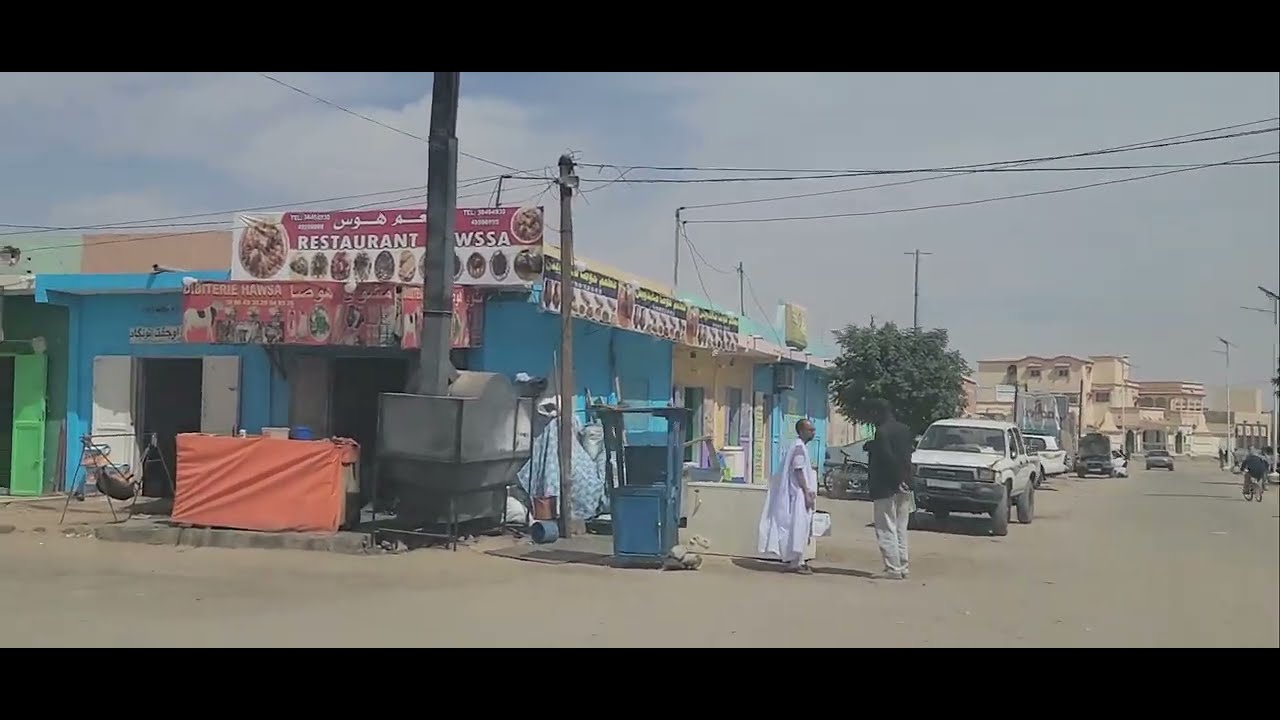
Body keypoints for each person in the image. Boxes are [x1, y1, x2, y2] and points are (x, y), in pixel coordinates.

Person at [758, 418, 818, 575]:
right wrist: (807, 492)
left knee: (798, 527)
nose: (813, 433)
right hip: (797, 494)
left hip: (797, 494)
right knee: (798, 527)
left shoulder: (799, 446)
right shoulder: (798, 448)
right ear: (801, 431)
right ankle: (795, 562)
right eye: (810, 430)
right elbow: (799, 471)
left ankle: (797, 560)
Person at [864, 398, 915, 580]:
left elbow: (887, 459)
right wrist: (906, 480)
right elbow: (906, 457)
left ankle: (893, 568)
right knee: (901, 527)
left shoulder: (882, 432)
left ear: (878, 413)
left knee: (886, 527)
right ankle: (903, 565)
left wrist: (896, 480)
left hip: (886, 486)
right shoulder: (904, 429)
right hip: (905, 486)